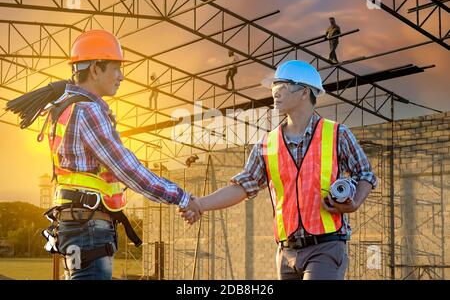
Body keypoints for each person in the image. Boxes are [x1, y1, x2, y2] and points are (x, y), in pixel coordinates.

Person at [6, 30, 202, 280]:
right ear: (96, 69)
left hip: (76, 225)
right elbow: (128, 169)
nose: (121, 76)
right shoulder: (88, 110)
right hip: (88, 227)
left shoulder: (67, 107)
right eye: (116, 68)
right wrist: (182, 197)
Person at [180, 60, 377, 280]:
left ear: (304, 92)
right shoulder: (267, 143)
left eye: (282, 87)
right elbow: (243, 186)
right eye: (274, 87)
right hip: (286, 252)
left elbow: (365, 173)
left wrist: (355, 201)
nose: (275, 93)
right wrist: (199, 205)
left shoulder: (337, 133)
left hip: (326, 245)